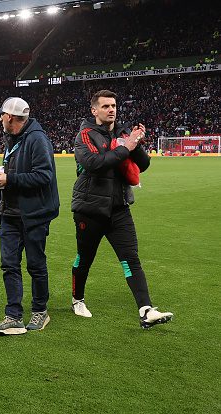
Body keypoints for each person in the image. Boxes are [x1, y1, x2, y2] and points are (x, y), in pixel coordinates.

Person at [70, 89, 173, 329]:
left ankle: (146, 310)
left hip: (119, 208)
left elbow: (144, 164)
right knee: (85, 258)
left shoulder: (123, 133)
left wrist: (134, 143)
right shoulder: (84, 135)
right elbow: (94, 164)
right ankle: (77, 299)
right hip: (90, 209)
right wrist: (125, 147)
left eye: (114, 105)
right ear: (94, 110)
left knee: (131, 259)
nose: (111, 110)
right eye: (105, 106)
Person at [0, 97, 59, 336]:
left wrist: (11, 180)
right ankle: (13, 316)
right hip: (10, 213)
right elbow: (15, 173)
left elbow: (44, 176)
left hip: (33, 214)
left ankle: (40, 310)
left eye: (2, 115)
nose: (0, 119)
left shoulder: (37, 139)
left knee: (35, 265)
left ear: (11, 117)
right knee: (9, 265)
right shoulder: (13, 138)